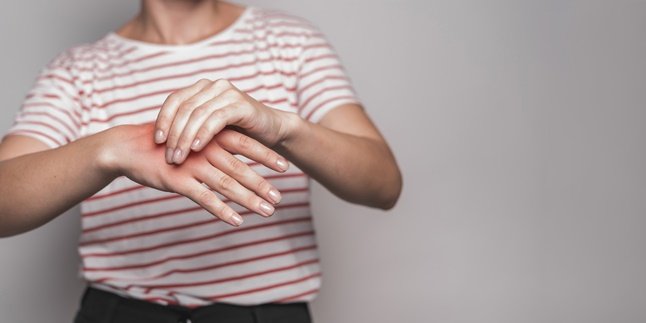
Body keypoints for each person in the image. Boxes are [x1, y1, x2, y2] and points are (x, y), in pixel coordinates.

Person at [0, 1, 402, 322]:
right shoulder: (77, 71)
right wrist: (108, 150)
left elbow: (384, 185)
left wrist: (283, 128)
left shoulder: (289, 42)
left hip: (265, 314)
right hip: (119, 312)